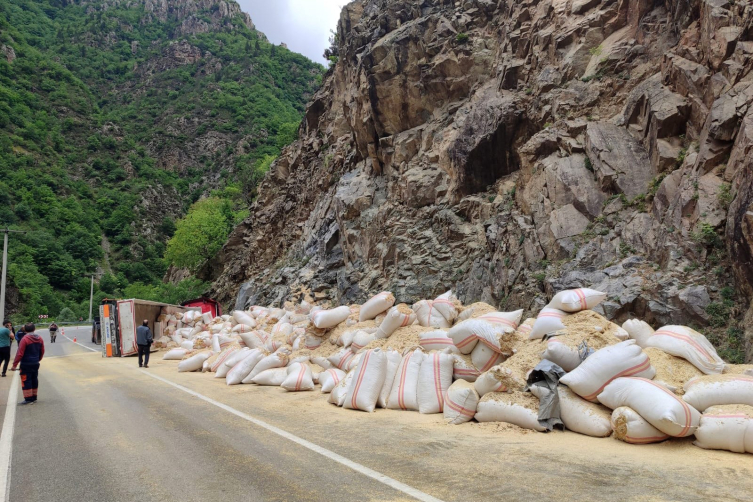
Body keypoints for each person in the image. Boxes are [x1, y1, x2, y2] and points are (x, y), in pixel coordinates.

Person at [10, 323, 45, 405]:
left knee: (26, 380)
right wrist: (38, 359)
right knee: (34, 379)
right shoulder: (40, 338)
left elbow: (20, 353)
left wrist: (14, 365)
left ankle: (28, 398)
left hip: (26, 363)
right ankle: (34, 397)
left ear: (25, 330)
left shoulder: (25, 339)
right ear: (34, 328)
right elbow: (42, 351)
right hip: (35, 363)